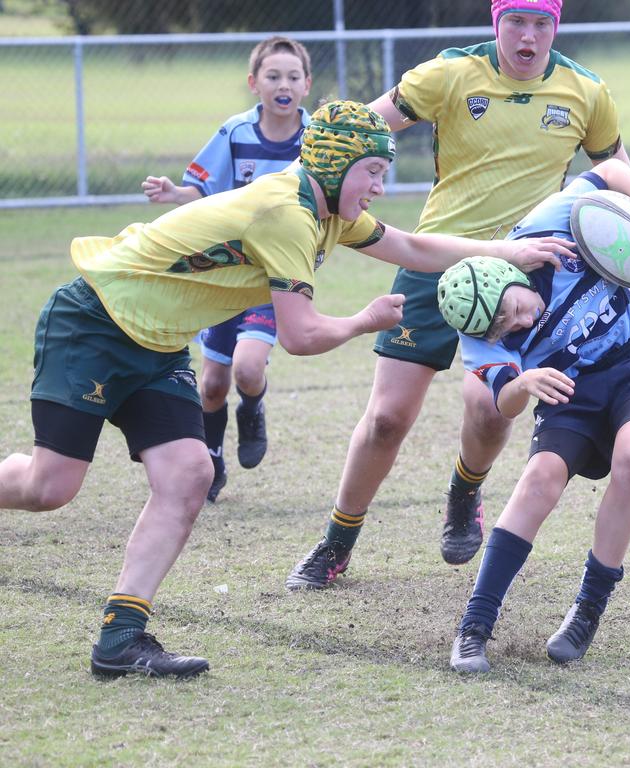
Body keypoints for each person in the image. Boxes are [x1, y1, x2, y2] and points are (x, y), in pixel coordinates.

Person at [0, 100, 570, 679]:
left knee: (189, 474)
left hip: (156, 343)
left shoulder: (326, 210)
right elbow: (299, 336)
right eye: (371, 170)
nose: (380, 183)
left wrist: (507, 252)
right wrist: (365, 321)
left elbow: (414, 248)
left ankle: (120, 637)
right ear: (334, 164)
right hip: (96, 320)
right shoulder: (287, 213)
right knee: (49, 487)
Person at [287, 0, 630, 591]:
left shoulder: (586, 91)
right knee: (387, 419)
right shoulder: (449, 74)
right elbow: (360, 131)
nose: (528, 37)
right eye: (516, 23)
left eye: (541, 24)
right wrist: (309, 178)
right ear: (495, 23)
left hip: (525, 273)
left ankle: (465, 489)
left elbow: (615, 173)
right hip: (435, 261)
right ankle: (336, 542)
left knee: (489, 405)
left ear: (556, 25)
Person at [435, 158, 630, 672]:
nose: (520, 323)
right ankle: (474, 627)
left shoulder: (548, 225)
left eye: (514, 309)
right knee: (539, 480)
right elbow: (504, 404)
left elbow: (610, 168)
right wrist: (522, 382)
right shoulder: (479, 337)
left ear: (508, 274)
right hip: (567, 391)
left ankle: (588, 608)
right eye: (504, 330)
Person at [141, 36, 314, 503]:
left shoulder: (316, 140)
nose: (284, 85)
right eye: (273, 76)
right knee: (213, 384)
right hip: (223, 274)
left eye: (293, 77)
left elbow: (330, 197)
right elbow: (205, 189)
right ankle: (213, 456)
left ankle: (253, 407)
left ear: (307, 84)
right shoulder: (236, 133)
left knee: (247, 368)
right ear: (254, 82)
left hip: (272, 277)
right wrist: (176, 193)